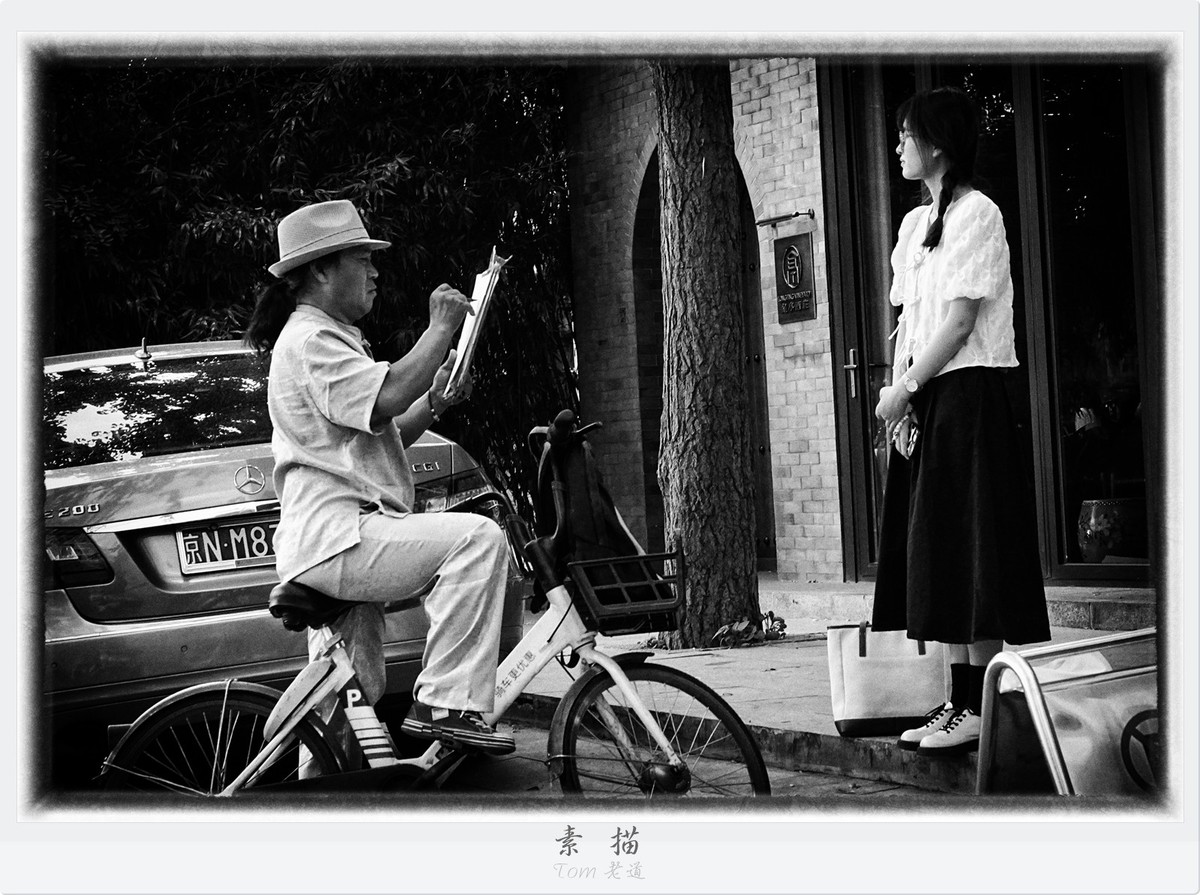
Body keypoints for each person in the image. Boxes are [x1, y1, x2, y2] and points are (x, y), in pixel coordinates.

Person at [244, 198, 514, 757]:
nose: (374, 271)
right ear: (320, 270)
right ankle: (448, 702)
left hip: (341, 539)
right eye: (361, 259)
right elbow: (387, 393)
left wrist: (434, 403)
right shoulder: (311, 340)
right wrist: (440, 330)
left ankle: (320, 811)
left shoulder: (328, 337)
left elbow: (378, 435)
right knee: (478, 539)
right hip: (339, 538)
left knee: (349, 699)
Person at [870, 88, 1050, 758]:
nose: (898, 147)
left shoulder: (981, 215)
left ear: (937, 143)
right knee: (939, 550)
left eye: (906, 135)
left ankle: (981, 706)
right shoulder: (916, 226)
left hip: (970, 398)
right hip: (927, 401)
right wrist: (900, 393)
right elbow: (908, 322)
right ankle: (960, 699)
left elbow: (960, 321)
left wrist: (906, 386)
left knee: (974, 550)